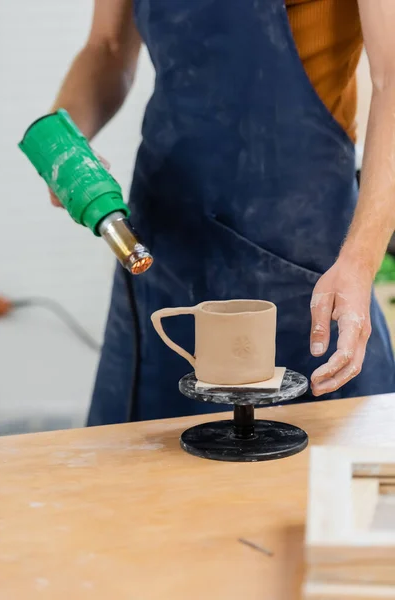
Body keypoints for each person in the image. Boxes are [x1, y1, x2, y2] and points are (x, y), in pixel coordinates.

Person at [49, 0, 395, 424]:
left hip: (301, 256)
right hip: (162, 249)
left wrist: (360, 261)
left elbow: (392, 75)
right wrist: (65, 141)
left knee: (314, 471)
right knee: (142, 472)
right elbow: (107, 46)